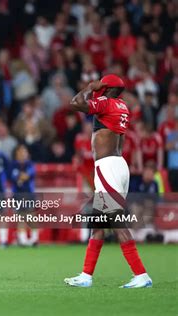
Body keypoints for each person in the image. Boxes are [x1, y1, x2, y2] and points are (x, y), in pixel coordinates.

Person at [65, 74, 152, 288]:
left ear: (107, 88)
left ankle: (141, 274)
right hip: (117, 165)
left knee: (116, 222)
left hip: (107, 168)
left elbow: (75, 103)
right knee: (99, 224)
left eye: (102, 85)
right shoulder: (122, 105)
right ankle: (86, 276)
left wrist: (89, 87)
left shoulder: (106, 102)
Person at [9, 144, 38, 246]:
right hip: (17, 195)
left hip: (29, 194)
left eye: (24, 152)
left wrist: (20, 176)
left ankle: (34, 239)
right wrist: (22, 176)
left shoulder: (30, 164)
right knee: (21, 217)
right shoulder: (12, 165)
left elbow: (27, 175)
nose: (22, 154)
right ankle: (23, 240)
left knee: (31, 216)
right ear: (16, 154)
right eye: (20, 152)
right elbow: (14, 176)